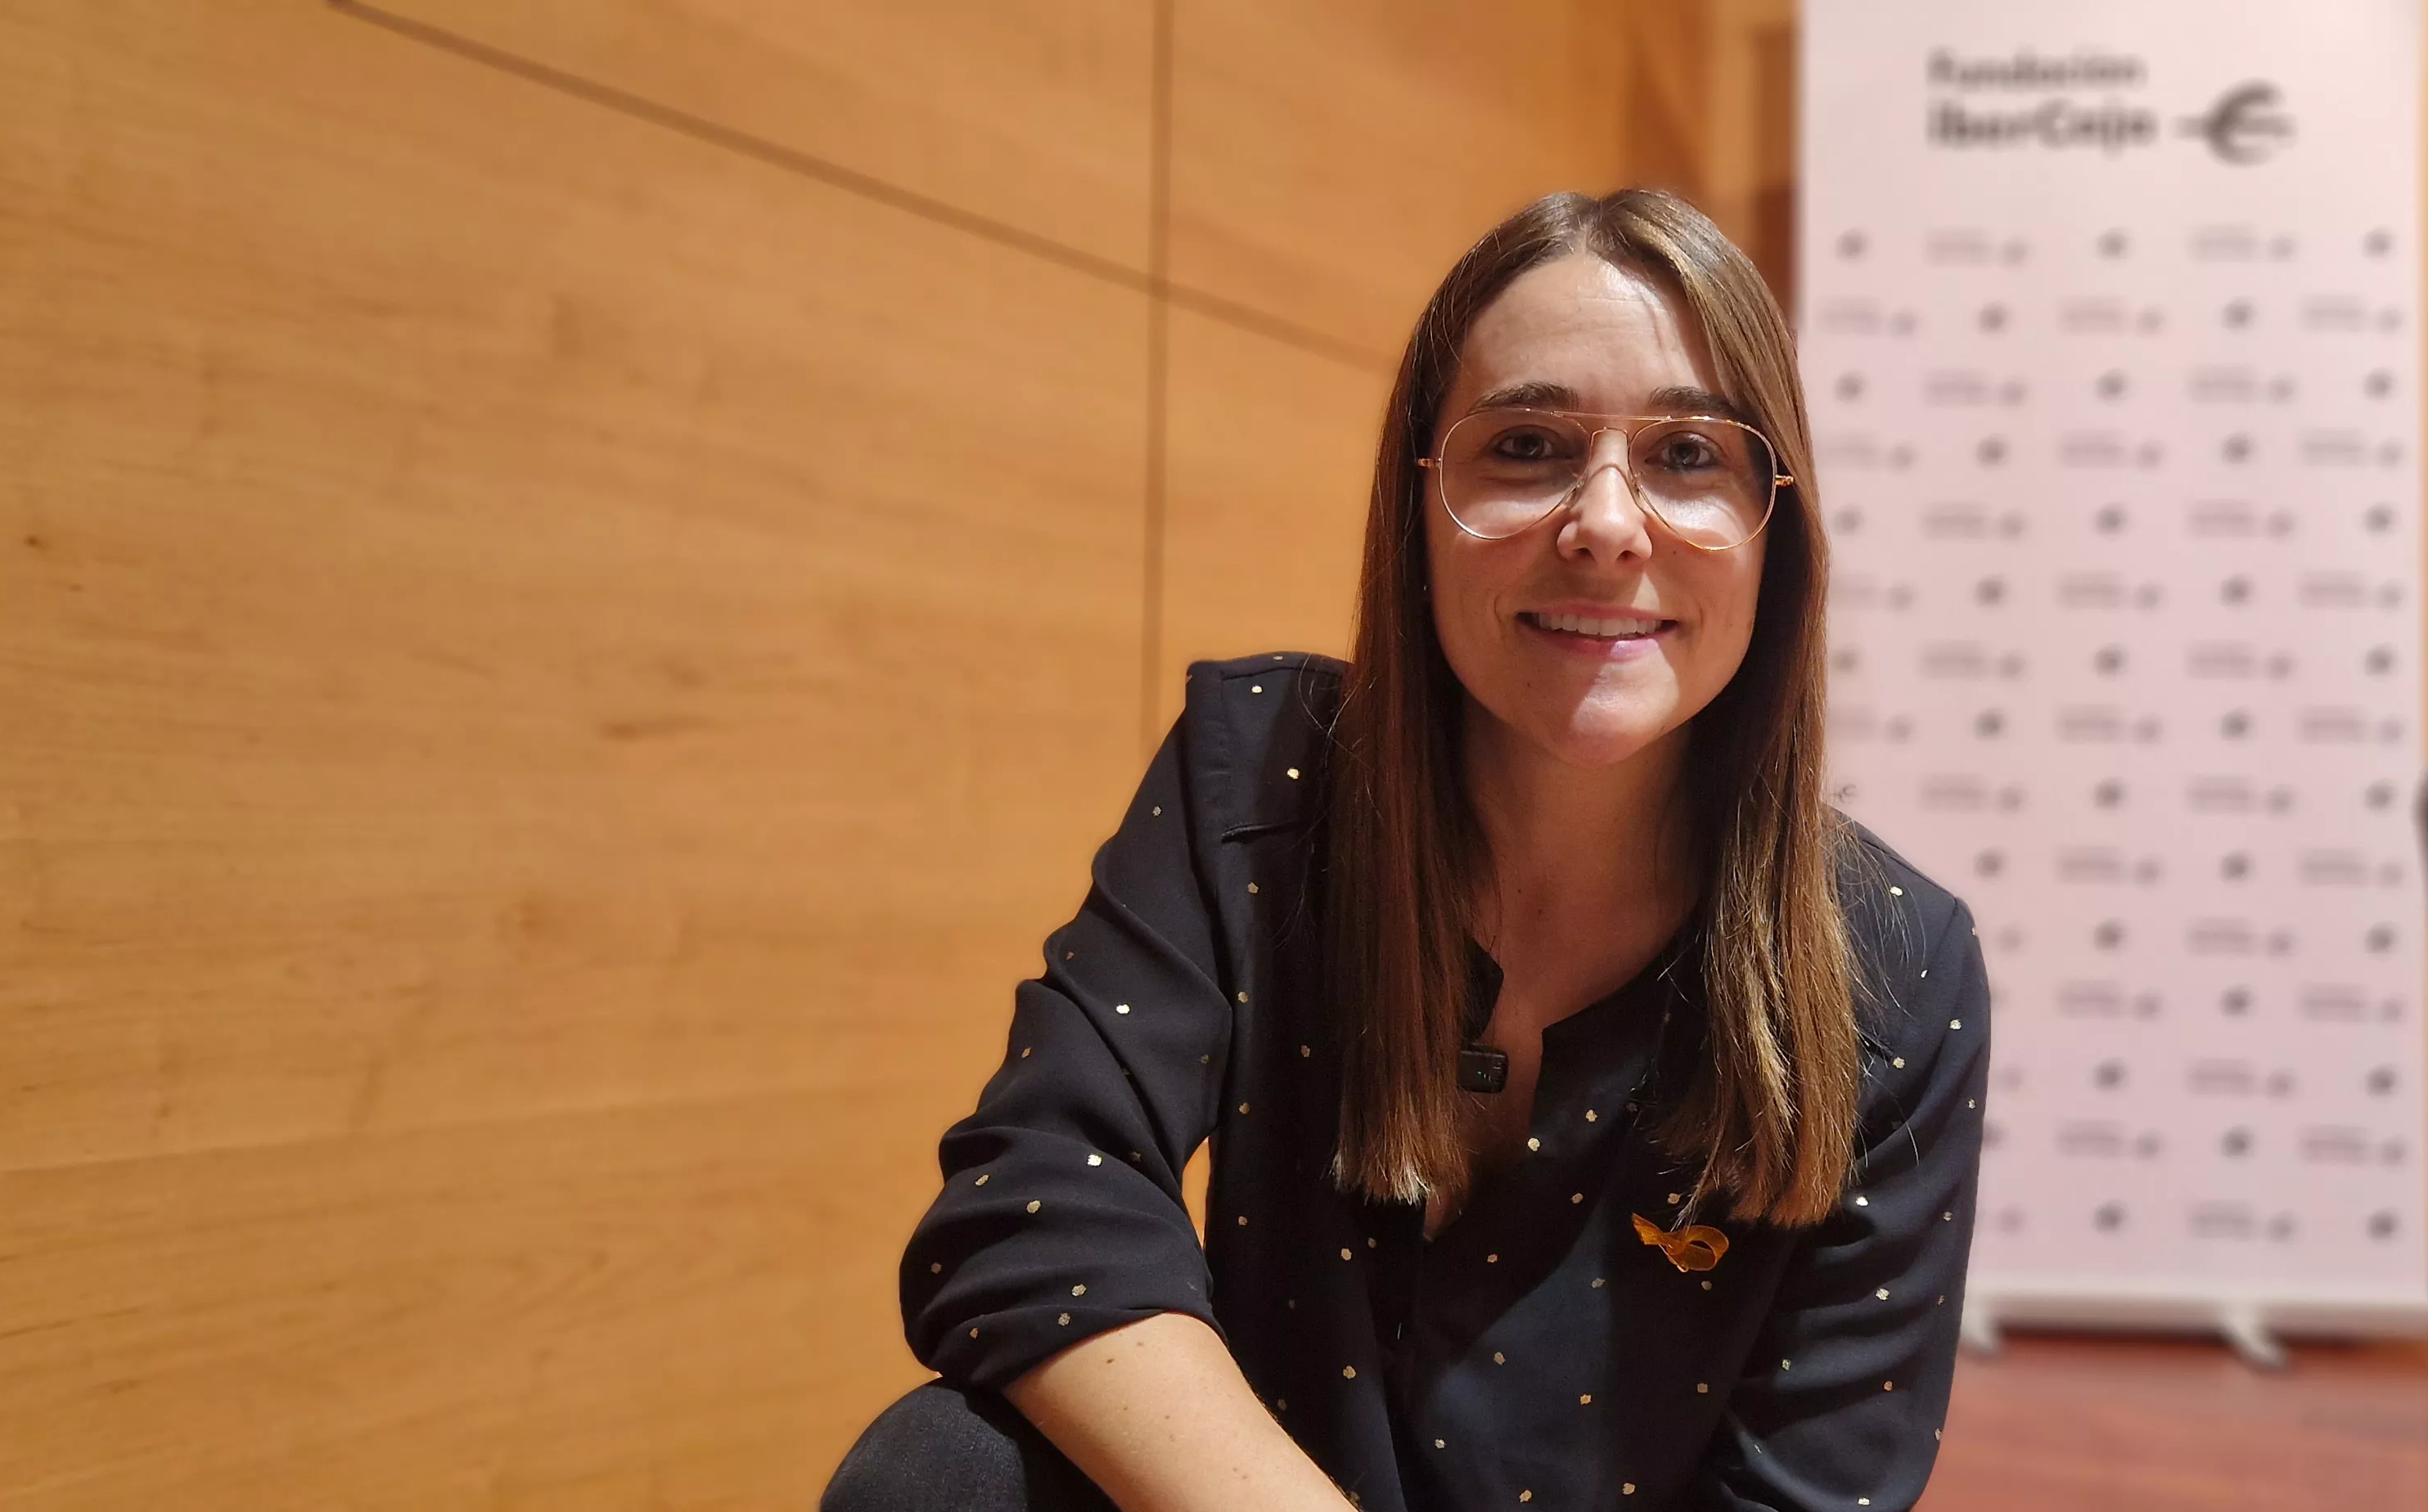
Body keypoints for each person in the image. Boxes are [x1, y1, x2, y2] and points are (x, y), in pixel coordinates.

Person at [822, 188, 1990, 1512]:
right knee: (940, 1474)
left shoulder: (1900, 964)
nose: (1607, 523)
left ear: (1773, 529)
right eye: (1530, 444)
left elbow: (1812, 1490)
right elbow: (1037, 1204)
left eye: (1687, 458)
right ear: (1420, 506)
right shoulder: (1255, 768)